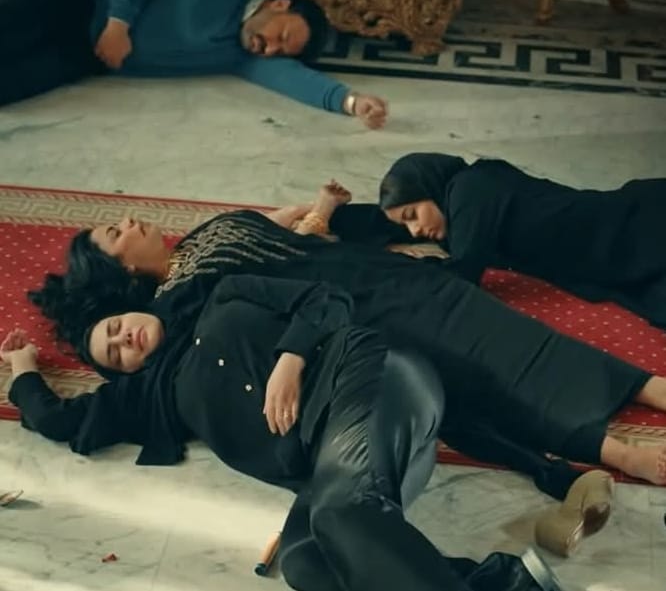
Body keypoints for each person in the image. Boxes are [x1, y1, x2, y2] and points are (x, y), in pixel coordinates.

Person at [26, 195, 666, 488]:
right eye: (115, 233)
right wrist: (25, 373)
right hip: (344, 317)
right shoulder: (177, 307)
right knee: (475, 377)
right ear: (122, 270)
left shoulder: (203, 234)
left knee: (504, 327)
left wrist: (322, 214)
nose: (129, 220)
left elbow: (280, 232)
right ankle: (611, 450)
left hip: (374, 275)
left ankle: (648, 387)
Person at [2, 276, 563, 591]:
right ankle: (500, 583)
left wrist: (291, 358)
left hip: (371, 378)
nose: (124, 339)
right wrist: (24, 370)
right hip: (340, 461)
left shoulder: (221, 296)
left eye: (117, 327)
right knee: (306, 562)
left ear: (130, 310)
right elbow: (59, 420)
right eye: (114, 353)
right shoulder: (154, 400)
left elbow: (327, 297)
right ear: (123, 374)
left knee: (341, 513)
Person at [0, 0, 387, 129]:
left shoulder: (241, 55)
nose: (269, 48)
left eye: (280, 51)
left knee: (11, 88)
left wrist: (351, 102)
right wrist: (118, 22)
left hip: (86, 54)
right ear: (279, 3)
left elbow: (292, 79)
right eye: (280, 36)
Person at [379, 152, 666, 327]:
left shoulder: (471, 192)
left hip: (630, 229)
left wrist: (403, 267)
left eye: (412, 215)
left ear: (429, 186)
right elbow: (378, 219)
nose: (414, 231)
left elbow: (462, 275)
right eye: (406, 225)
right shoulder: (463, 194)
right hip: (607, 254)